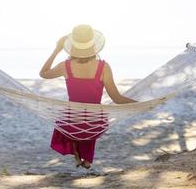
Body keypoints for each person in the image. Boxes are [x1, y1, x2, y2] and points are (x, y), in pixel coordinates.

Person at [39, 24, 136, 169]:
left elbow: (43, 73)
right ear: (93, 45)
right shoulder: (103, 67)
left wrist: (57, 49)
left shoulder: (65, 66)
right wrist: (139, 103)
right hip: (95, 122)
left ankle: (77, 154)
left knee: (66, 119)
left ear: (73, 46)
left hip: (72, 120)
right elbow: (117, 98)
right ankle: (88, 159)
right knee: (90, 118)